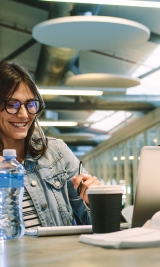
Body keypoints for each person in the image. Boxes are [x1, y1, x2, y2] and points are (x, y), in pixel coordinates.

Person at [0, 60, 101, 228]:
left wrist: (96, 200)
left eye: (30, 104)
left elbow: (93, 222)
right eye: (12, 105)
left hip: (58, 254)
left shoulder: (56, 152)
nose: (24, 115)